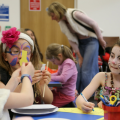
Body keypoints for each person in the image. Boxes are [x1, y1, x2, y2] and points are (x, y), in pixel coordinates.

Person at [47, 2, 106, 94]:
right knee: (77, 69)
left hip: (91, 41)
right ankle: (75, 93)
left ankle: (89, 95)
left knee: (86, 70)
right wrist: (79, 56)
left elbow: (94, 23)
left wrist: (100, 39)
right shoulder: (63, 23)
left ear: (57, 12)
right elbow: (72, 39)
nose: (52, 18)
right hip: (80, 43)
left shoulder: (75, 14)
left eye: (52, 15)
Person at [0, 27, 53, 118]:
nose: (21, 56)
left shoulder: (33, 72)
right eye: (15, 51)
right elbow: (4, 99)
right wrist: (25, 80)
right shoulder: (1, 75)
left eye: (25, 51)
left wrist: (42, 85)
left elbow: (49, 101)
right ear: (5, 56)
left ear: (31, 55)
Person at [76, 39, 120, 112]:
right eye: (112, 56)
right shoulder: (102, 77)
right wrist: (82, 104)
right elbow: (79, 99)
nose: (113, 61)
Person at [46, 43, 78, 107]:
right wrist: (47, 75)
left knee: (48, 105)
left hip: (66, 96)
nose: (53, 63)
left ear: (59, 56)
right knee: (43, 97)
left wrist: (49, 77)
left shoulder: (68, 63)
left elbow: (63, 78)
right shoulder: (62, 63)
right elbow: (58, 73)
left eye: (53, 61)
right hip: (60, 93)